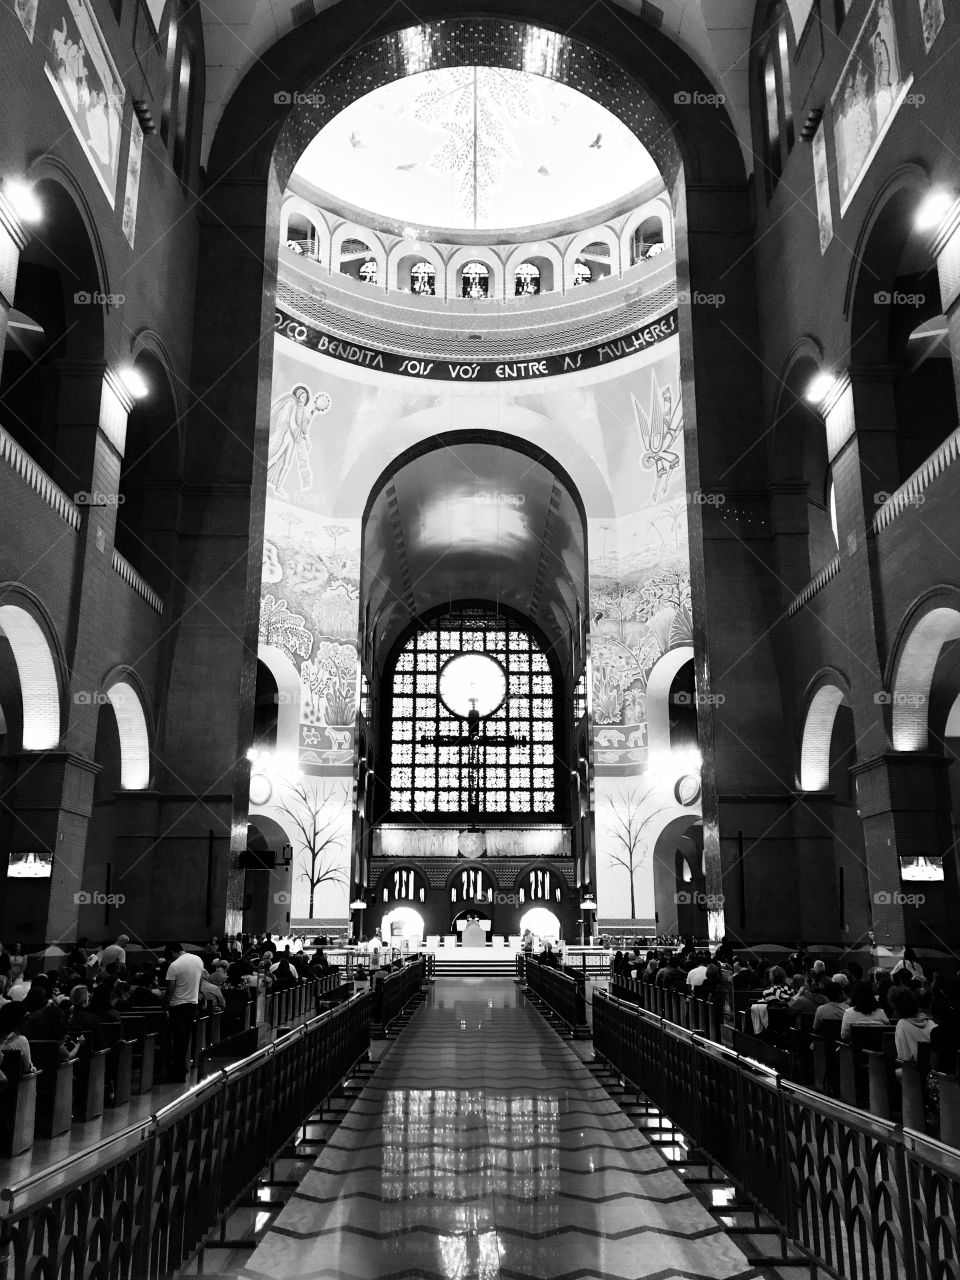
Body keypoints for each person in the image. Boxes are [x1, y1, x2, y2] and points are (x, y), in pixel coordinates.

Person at [164, 943, 204, 1083]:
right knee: (185, 1039)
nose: (170, 959)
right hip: (192, 1004)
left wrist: (166, 1007)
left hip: (178, 1006)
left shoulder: (175, 965)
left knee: (177, 1041)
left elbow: (170, 989)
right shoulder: (198, 960)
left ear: (174, 952)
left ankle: (178, 1073)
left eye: (170, 956)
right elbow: (199, 983)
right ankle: (183, 1068)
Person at [889, 987, 936, 1065]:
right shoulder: (932, 1023)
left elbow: (904, 1057)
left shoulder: (902, 1024)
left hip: (914, 1071)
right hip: (932, 1071)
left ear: (896, 1009)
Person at [66, 985, 108, 1052]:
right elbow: (101, 1043)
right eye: (88, 996)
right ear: (85, 999)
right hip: (90, 1057)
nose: (89, 998)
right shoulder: (92, 1018)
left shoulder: (65, 1016)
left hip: (68, 1054)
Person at [0, 1001, 34, 1072]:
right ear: (20, 1020)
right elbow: (26, 1068)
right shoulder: (21, 1040)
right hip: (18, 1082)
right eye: (26, 1017)